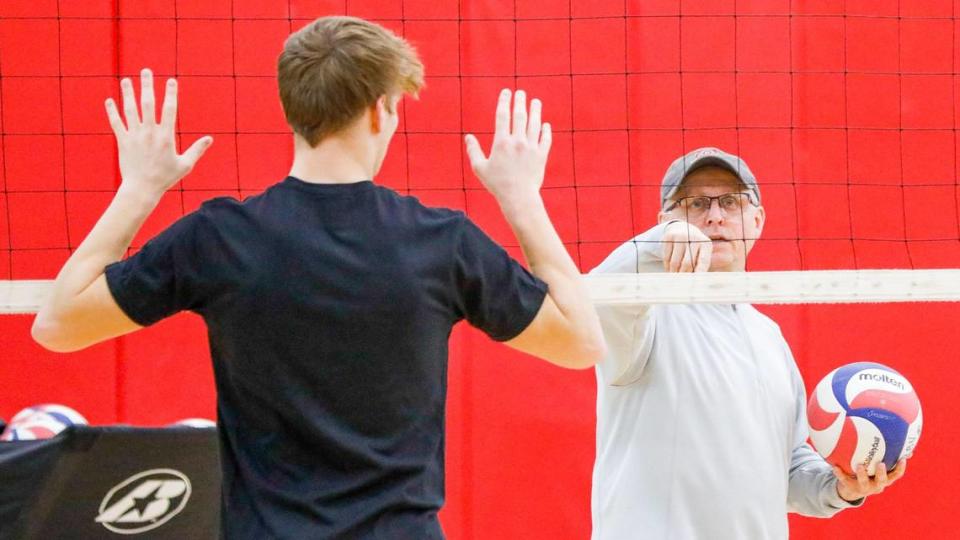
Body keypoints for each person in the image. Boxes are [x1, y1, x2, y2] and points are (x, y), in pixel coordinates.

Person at [30, 16, 605, 539]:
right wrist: (521, 199)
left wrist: (140, 187)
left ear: (292, 109)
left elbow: (58, 325)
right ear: (382, 109)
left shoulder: (219, 237)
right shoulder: (440, 242)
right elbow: (581, 343)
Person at [589, 147, 907, 539]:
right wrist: (660, 242)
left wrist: (840, 488)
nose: (715, 216)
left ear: (757, 221)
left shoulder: (768, 337)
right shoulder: (647, 316)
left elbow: (788, 468)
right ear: (666, 220)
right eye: (695, 204)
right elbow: (602, 296)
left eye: (730, 202)